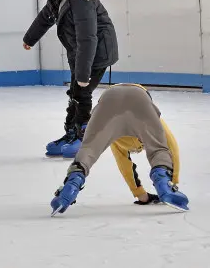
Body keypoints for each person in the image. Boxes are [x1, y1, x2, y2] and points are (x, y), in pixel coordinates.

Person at [23, 0, 118, 158]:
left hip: (97, 52)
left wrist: (83, 74)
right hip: (79, 51)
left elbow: (88, 38)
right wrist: (30, 38)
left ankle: (83, 136)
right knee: (74, 93)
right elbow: (45, 17)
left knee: (81, 92)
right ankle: (71, 133)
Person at [50, 83, 190, 216]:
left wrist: (141, 195)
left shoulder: (116, 139)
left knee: (88, 150)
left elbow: (125, 166)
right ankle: (164, 184)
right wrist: (173, 182)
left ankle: (70, 187)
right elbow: (172, 149)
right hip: (138, 98)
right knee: (159, 149)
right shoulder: (154, 126)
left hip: (108, 100)